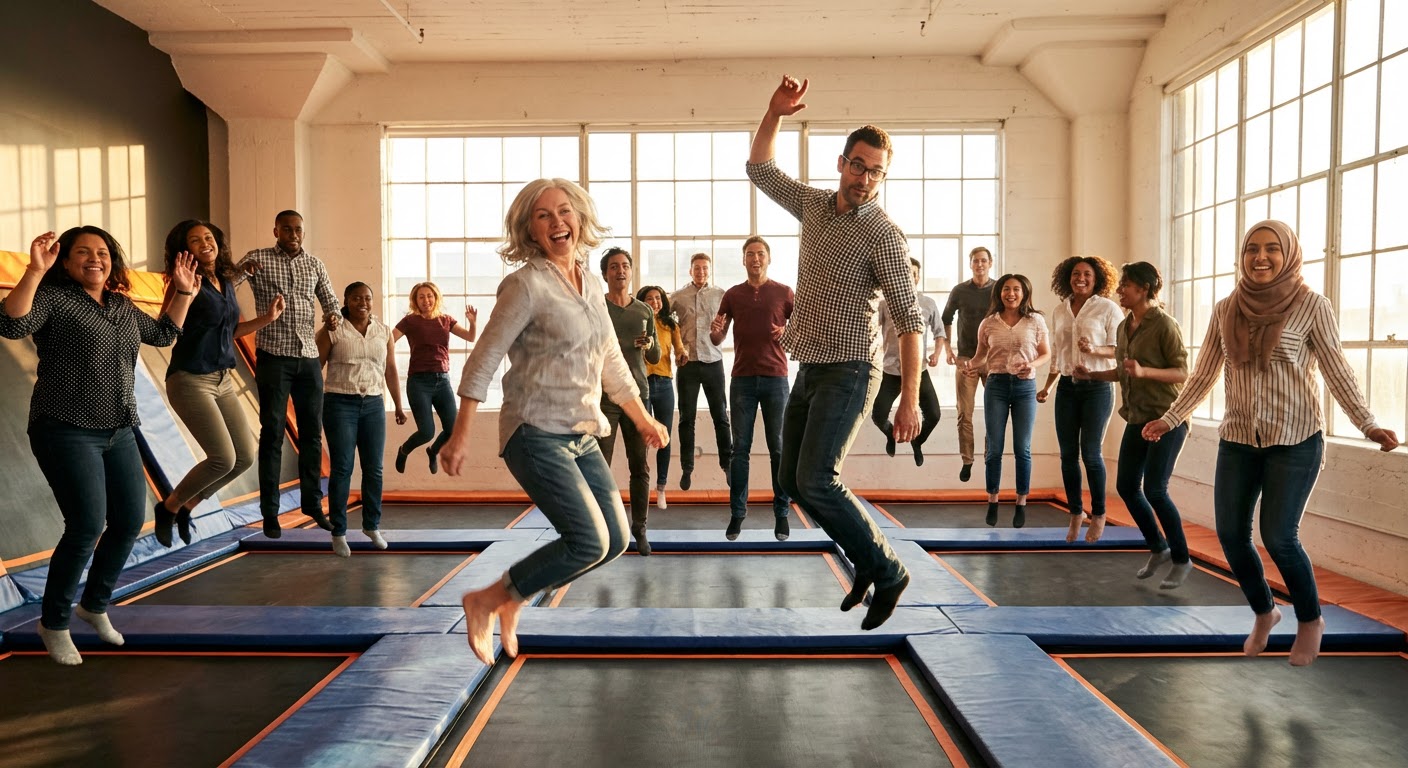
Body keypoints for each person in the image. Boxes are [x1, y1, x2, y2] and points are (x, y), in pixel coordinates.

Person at [1144, 220, 1399, 666]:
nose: (1260, 257)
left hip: (1296, 440)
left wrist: (1368, 423)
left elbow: (1337, 369)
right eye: (1252, 249)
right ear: (1242, 256)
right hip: (1239, 439)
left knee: (1279, 537)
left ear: (1289, 255)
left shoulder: (1312, 305)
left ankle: (1310, 620)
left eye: (1271, 249)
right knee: (1231, 535)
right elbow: (1204, 374)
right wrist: (1170, 418)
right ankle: (1265, 611)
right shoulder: (1226, 308)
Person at [438, 179, 668, 666]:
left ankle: (513, 598)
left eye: (564, 211)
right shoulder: (526, 285)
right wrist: (460, 434)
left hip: (581, 432)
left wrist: (643, 418)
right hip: (534, 431)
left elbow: (612, 363)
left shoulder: (590, 285)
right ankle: (486, 600)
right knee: (588, 539)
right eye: (543, 216)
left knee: (615, 540)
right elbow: (484, 358)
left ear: (580, 219)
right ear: (530, 230)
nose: (557, 222)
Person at [747, 74, 923, 630]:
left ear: (882, 177)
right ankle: (865, 561)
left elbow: (910, 320)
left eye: (876, 172)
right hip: (810, 367)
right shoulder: (815, 206)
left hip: (851, 370)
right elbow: (760, 169)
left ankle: (887, 570)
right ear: (842, 163)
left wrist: (909, 399)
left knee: (818, 477)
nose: (865, 179)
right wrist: (775, 113)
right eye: (858, 166)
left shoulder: (884, 235)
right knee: (793, 482)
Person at [1, 228, 198, 664]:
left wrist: (183, 293)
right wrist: (34, 271)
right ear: (66, 261)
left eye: (103, 252)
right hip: (65, 428)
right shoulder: (54, 298)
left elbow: (164, 335)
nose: (95, 259)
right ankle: (54, 623)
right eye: (83, 252)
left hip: (119, 428)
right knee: (87, 525)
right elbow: (11, 323)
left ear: (113, 260)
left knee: (128, 520)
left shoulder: (121, 305)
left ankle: (94, 605)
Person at [154, 220, 284, 548]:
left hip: (223, 379)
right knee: (222, 458)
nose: (205, 243)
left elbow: (230, 331)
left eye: (208, 237)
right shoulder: (185, 283)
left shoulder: (224, 281)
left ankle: (188, 506)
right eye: (195, 240)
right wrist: (183, 291)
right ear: (184, 250)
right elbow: (163, 329)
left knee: (244, 458)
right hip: (190, 379)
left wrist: (266, 319)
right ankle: (168, 507)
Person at [1075, 262, 1192, 587]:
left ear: (1143, 288)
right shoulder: (1125, 326)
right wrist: (1092, 375)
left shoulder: (1165, 325)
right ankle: (1159, 548)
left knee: (1155, 490)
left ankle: (1182, 559)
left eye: (1125, 284)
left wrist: (1144, 372)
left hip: (1167, 419)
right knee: (1126, 487)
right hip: (1137, 418)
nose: (1119, 290)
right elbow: (1122, 371)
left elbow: (1183, 373)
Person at [238, 210, 340, 538]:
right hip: (273, 357)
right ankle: (270, 512)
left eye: (298, 230)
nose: (293, 235)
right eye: (287, 230)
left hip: (308, 358)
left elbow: (331, 304)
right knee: (272, 433)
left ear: (303, 232)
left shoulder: (315, 264)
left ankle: (312, 503)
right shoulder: (258, 258)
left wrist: (334, 317)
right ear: (276, 231)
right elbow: (227, 283)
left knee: (312, 434)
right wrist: (241, 271)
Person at [710, 236, 794, 541]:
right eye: (750, 254)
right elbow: (717, 338)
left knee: (779, 448)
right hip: (742, 380)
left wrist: (787, 331)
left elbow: (802, 330)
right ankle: (737, 514)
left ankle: (782, 514)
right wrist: (714, 333)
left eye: (760, 254)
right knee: (740, 449)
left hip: (776, 379)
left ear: (768, 259)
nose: (755, 259)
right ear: (743, 260)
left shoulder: (784, 292)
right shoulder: (733, 295)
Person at [1037, 256, 1123, 542]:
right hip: (1066, 387)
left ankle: (1099, 514)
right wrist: (1048, 387)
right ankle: (1076, 512)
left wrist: (1094, 349)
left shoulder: (1108, 308)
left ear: (1097, 279)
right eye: (1076, 274)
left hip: (1097, 387)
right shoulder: (1060, 310)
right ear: (1068, 278)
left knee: (1091, 453)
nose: (1081, 278)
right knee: (1067, 455)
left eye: (1087, 274)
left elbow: (1119, 349)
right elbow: (1058, 354)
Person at [317, 282, 406, 557]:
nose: (362, 303)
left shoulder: (383, 331)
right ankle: (339, 532)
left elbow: (390, 369)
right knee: (343, 467)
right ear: (346, 300)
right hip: (339, 403)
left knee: (374, 469)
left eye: (367, 298)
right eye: (356, 298)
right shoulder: (333, 330)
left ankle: (371, 526)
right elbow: (315, 367)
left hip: (374, 405)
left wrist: (398, 405)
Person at [965, 274, 1051, 529]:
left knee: (1023, 448)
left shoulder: (1035, 321)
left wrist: (1032, 365)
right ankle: (993, 500)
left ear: (1024, 293)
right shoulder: (988, 323)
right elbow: (981, 356)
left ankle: (1021, 502)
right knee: (994, 448)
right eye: (1006, 289)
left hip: (1025, 387)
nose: (1011, 294)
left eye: (1016, 289)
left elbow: (1046, 353)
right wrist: (970, 365)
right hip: (996, 386)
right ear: (999, 293)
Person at [597, 247, 660, 555]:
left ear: (631, 272)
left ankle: (640, 528)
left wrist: (649, 344)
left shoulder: (643, 311)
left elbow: (656, 357)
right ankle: (604, 529)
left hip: (638, 396)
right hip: (605, 398)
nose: (620, 271)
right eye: (613, 267)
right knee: (600, 467)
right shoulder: (597, 308)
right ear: (605, 274)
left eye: (624, 266)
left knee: (640, 466)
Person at [392, 281, 477, 475]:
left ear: (436, 298)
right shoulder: (410, 321)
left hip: (442, 381)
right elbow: (390, 339)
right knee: (426, 432)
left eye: (429, 296)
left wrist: (472, 323)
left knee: (452, 429)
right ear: (415, 300)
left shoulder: (445, 320)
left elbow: (470, 337)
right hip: (419, 382)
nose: (426, 300)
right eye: (421, 297)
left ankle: (433, 451)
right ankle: (404, 450)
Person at [872, 257, 944, 467]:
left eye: (913, 274)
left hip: (919, 371)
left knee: (934, 415)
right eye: (905, 273)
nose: (909, 278)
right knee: (877, 415)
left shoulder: (928, 303)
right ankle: (890, 435)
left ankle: (917, 442)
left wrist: (936, 354)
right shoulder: (884, 304)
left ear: (918, 277)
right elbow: (871, 330)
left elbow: (940, 333)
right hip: (890, 371)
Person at [670, 252, 731, 489]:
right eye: (697, 268)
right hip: (688, 364)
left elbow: (728, 324)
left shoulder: (720, 295)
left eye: (705, 268)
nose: (701, 272)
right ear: (690, 270)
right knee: (687, 418)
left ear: (709, 270)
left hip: (713, 362)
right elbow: (665, 321)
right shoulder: (678, 297)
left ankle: (727, 464)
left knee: (721, 416)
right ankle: (687, 468)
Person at [942, 247, 996, 482]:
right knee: (964, 413)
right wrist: (948, 349)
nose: (979, 264)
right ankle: (967, 460)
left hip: (993, 358)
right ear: (970, 264)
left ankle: (990, 456)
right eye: (975, 261)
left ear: (990, 263)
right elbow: (946, 319)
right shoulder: (960, 290)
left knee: (994, 413)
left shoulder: (998, 289)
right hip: (966, 359)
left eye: (983, 260)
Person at [637, 285, 683, 510]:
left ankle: (661, 488)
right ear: (642, 302)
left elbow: (679, 349)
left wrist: (682, 355)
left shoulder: (670, 325)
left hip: (664, 383)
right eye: (650, 299)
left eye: (658, 298)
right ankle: (642, 485)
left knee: (665, 437)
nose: (655, 302)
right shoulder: (638, 322)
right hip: (642, 384)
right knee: (643, 438)